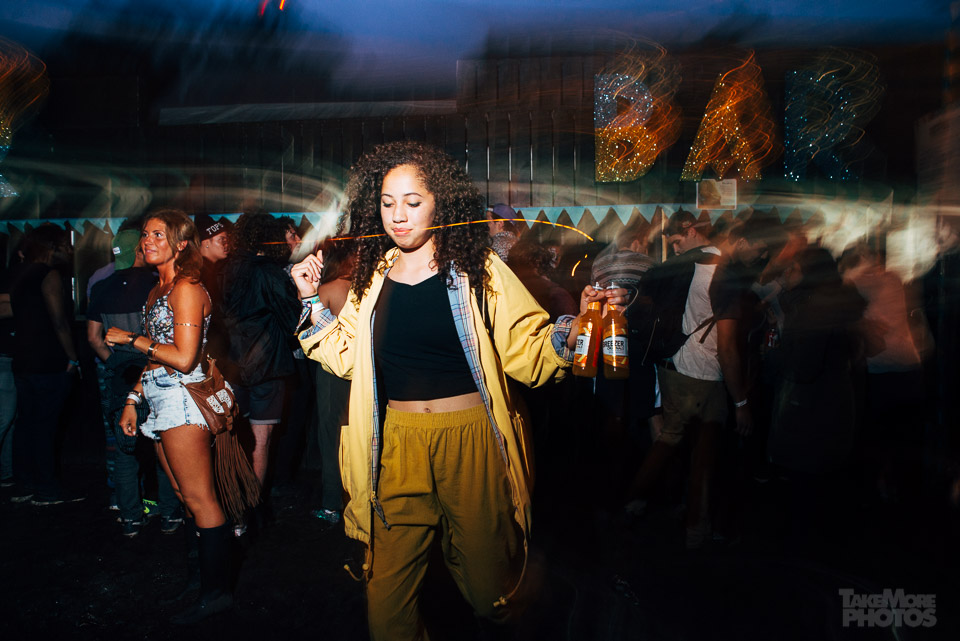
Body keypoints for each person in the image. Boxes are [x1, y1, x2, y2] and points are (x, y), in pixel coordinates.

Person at [291, 141, 623, 640]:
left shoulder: (478, 269)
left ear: (440, 204)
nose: (397, 216)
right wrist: (309, 299)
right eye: (387, 203)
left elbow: (526, 347)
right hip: (395, 444)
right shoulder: (373, 278)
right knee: (387, 615)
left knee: (491, 596)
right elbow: (345, 357)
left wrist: (572, 332)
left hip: (471, 442)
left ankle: (546, 602)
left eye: (412, 202)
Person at [106, 209, 237, 624]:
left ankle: (217, 594)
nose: (147, 241)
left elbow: (182, 357)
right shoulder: (157, 289)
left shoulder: (187, 287)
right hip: (160, 395)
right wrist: (133, 397)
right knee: (182, 496)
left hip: (183, 398)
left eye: (158, 235)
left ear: (181, 244)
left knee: (200, 498)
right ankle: (199, 583)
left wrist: (131, 339)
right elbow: (158, 354)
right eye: (145, 235)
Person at [87, 232, 181, 537]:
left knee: (124, 447)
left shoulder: (101, 287)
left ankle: (130, 517)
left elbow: (93, 338)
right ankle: (169, 513)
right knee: (163, 443)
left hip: (120, 377)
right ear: (141, 251)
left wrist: (116, 362)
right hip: (154, 372)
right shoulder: (157, 285)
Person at [221, 212, 301, 501]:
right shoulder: (270, 272)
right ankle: (251, 506)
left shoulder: (227, 269)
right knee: (260, 441)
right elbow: (293, 322)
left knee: (234, 438)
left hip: (231, 365)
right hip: (267, 367)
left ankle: (233, 502)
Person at [7, 224, 80, 505]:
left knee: (25, 424)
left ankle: (24, 485)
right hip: (48, 360)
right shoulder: (48, 274)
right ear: (51, 247)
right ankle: (47, 489)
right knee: (45, 427)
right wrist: (73, 357)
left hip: (23, 359)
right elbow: (59, 321)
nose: (69, 249)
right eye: (64, 244)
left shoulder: (18, 273)